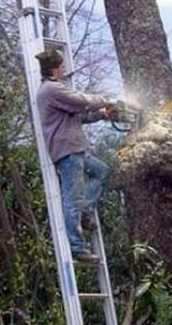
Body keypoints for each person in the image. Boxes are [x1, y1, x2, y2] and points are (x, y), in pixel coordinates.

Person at [35, 48, 116, 263]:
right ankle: (77, 247)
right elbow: (82, 101)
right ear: (54, 68)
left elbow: (79, 116)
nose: (64, 68)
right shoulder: (52, 90)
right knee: (72, 198)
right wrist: (107, 99)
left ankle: (87, 211)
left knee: (101, 171)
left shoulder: (55, 91)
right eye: (61, 65)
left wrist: (101, 114)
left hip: (75, 148)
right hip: (68, 151)